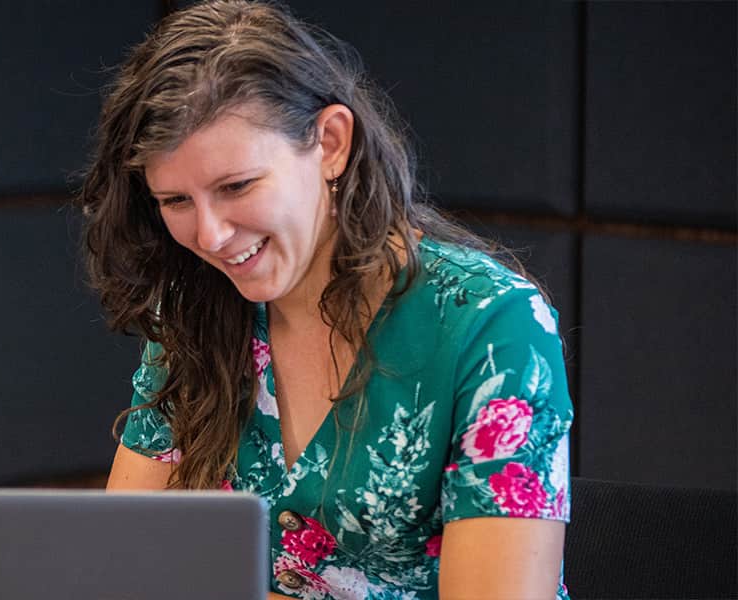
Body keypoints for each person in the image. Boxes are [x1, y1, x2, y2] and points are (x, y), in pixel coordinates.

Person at [79, 2, 572, 598]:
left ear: (331, 143)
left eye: (236, 186)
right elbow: (118, 566)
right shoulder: (194, 307)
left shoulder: (492, 325)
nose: (209, 236)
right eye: (176, 201)